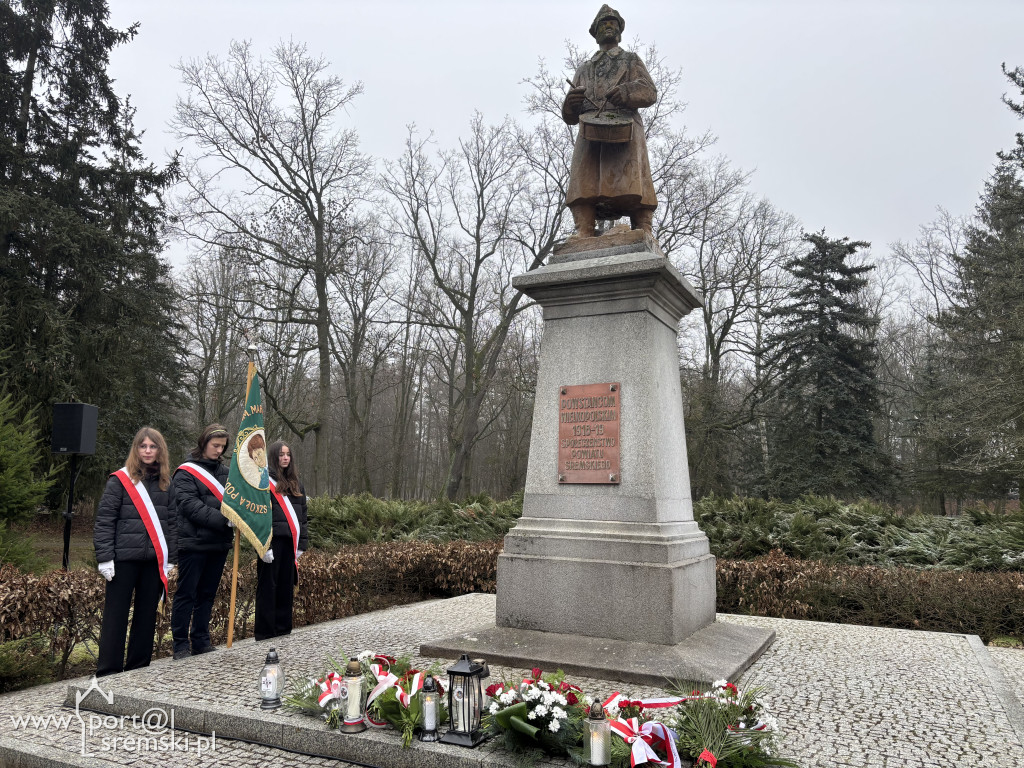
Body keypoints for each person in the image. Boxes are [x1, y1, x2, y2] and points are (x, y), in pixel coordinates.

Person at [561, 5, 658, 236]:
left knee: (634, 175)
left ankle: (642, 225)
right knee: (584, 177)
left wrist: (626, 92)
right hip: (590, 131)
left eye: (612, 23)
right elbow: (569, 116)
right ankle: (583, 227)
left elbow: (649, 91)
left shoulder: (630, 60)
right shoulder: (584, 68)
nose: (608, 26)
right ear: (595, 33)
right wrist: (571, 103)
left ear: (620, 31)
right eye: (603, 23)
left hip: (624, 127)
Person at [94, 427, 177, 676]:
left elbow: (173, 524)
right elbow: (105, 521)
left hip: (153, 561)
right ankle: (108, 670)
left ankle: (138, 668)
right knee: (115, 616)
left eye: (153, 446)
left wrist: (172, 559)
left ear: (160, 450)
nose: (148, 451)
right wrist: (105, 558)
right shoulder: (119, 480)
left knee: (146, 616)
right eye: (143, 446)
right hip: (123, 560)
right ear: (136, 449)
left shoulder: (166, 483)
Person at [170, 424, 232, 659]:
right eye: (215, 445)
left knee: (207, 594)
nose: (219, 450)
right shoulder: (185, 473)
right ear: (203, 443)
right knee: (187, 594)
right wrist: (225, 520)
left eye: (222, 447)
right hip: (193, 542)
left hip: (218, 543)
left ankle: (201, 640)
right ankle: (180, 644)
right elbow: (190, 506)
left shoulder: (227, 473)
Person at [254, 440, 309, 641]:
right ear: (273, 457)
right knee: (268, 586)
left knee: (286, 585)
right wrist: (264, 545)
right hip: (271, 542)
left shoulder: (297, 484)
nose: (285, 458)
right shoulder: (263, 482)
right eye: (281, 455)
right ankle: (265, 632)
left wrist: (302, 544)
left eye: (288, 454)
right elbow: (259, 517)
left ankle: (283, 628)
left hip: (290, 542)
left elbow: (303, 516)